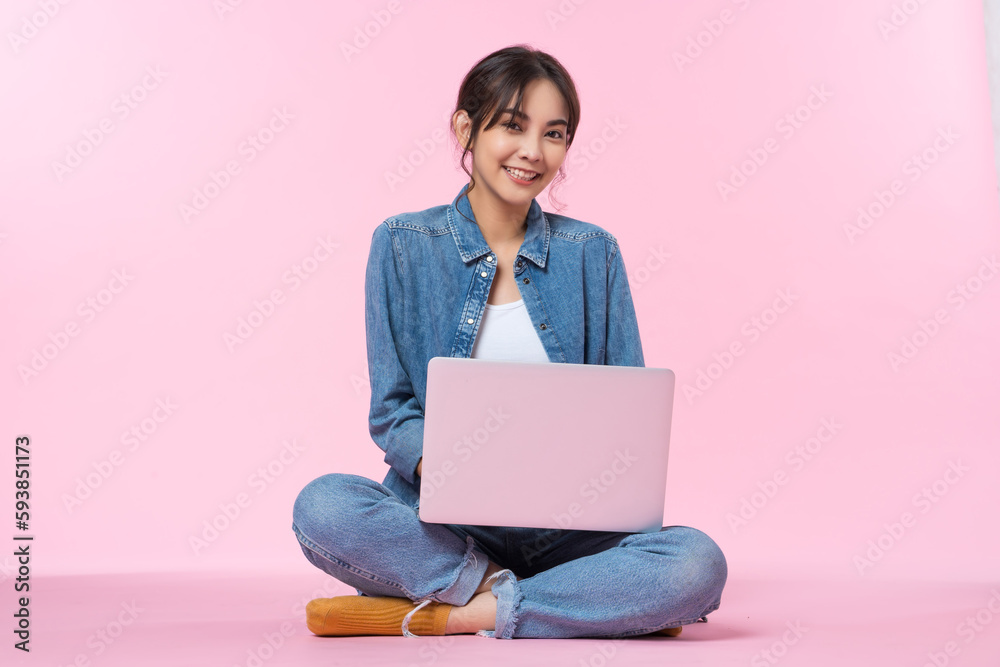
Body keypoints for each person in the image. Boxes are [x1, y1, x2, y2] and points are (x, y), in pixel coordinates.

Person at [291, 44, 727, 640]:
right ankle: (554, 601)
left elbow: (626, 415)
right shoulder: (402, 243)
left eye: (554, 133)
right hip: (446, 527)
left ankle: (468, 610)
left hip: (572, 533)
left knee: (697, 562)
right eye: (513, 126)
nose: (533, 152)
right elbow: (394, 414)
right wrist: (459, 472)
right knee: (324, 507)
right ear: (465, 129)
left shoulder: (591, 252)